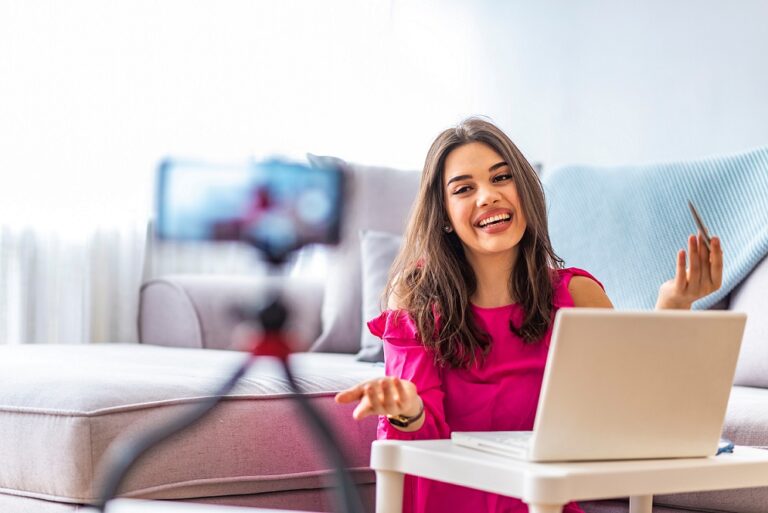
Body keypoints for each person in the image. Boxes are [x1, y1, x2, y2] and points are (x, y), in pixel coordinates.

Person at [335, 118, 723, 513]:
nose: (487, 196)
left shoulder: (577, 295)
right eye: (464, 189)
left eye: (501, 178)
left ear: (524, 192)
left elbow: (631, 416)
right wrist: (407, 411)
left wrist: (673, 306)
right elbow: (420, 435)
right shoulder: (415, 296)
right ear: (445, 216)